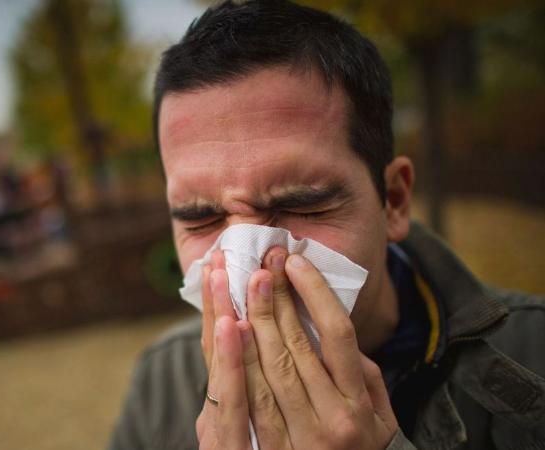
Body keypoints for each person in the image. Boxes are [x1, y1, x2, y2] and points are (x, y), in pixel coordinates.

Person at [108, 1, 545, 449]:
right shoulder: (161, 384)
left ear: (392, 201)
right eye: (201, 218)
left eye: (302, 205)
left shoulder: (534, 355)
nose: (251, 272)